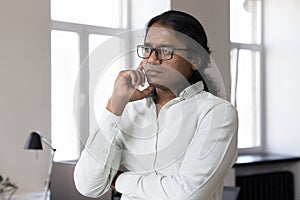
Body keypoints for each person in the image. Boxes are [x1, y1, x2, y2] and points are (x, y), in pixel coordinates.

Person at [74, 10, 238, 200]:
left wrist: (119, 180)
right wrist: (115, 106)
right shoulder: (130, 110)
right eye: (147, 49)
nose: (152, 59)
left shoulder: (217, 113)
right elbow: (87, 185)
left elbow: (187, 194)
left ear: (195, 59)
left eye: (166, 51)